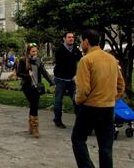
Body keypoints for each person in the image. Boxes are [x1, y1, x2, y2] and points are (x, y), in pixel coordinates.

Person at [71, 29, 125, 168]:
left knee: (78, 139)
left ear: (86, 42)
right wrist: (111, 98)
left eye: (81, 41)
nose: (80, 44)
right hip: (108, 108)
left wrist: (78, 100)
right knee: (106, 147)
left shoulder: (86, 60)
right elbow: (120, 85)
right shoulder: (111, 59)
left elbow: (83, 89)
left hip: (90, 106)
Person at [17, 43, 54, 138]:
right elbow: (18, 73)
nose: (35, 53)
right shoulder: (23, 60)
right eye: (33, 51)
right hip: (27, 87)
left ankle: (33, 127)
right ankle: (34, 127)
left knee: (34, 105)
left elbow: (44, 72)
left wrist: (51, 81)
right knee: (34, 105)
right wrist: (27, 75)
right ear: (28, 51)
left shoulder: (38, 60)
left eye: (36, 51)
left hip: (37, 87)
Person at [53, 32, 83, 128]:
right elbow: (61, 65)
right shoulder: (59, 50)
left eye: (72, 37)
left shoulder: (75, 50)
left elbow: (81, 61)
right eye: (69, 37)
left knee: (76, 100)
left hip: (72, 80)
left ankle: (79, 121)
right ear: (64, 39)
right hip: (61, 79)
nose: (71, 39)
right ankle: (57, 120)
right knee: (58, 100)